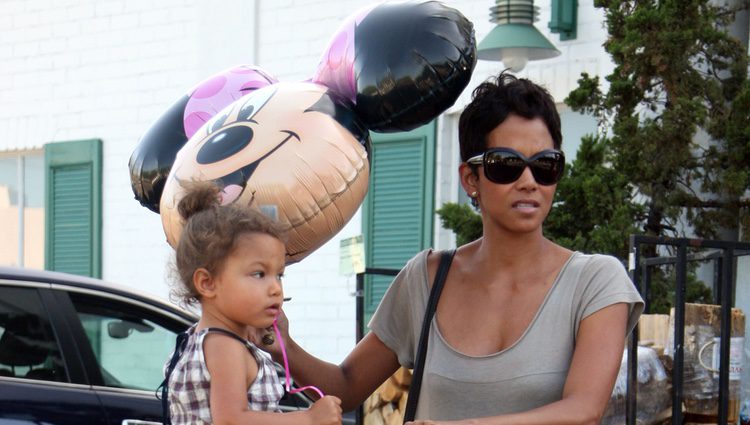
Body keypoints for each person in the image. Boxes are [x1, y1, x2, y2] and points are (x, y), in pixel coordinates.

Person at [261, 71, 644, 424]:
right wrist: (282, 345)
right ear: (469, 178)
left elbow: (584, 410)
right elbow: (347, 387)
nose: (529, 181)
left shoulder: (595, 282)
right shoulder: (427, 279)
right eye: (506, 164)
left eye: (545, 165)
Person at [162, 181, 343, 425]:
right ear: (207, 283)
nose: (275, 288)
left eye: (279, 275)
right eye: (259, 274)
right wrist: (308, 418)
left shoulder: (198, 340)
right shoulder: (224, 346)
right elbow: (232, 420)